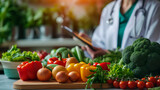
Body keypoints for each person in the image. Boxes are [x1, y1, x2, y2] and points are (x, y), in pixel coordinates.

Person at [80, 0, 160, 59]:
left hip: (137, 78)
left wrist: (111, 54)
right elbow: (100, 43)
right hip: (109, 74)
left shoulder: (154, 8)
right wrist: (89, 43)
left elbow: (153, 49)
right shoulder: (108, 9)